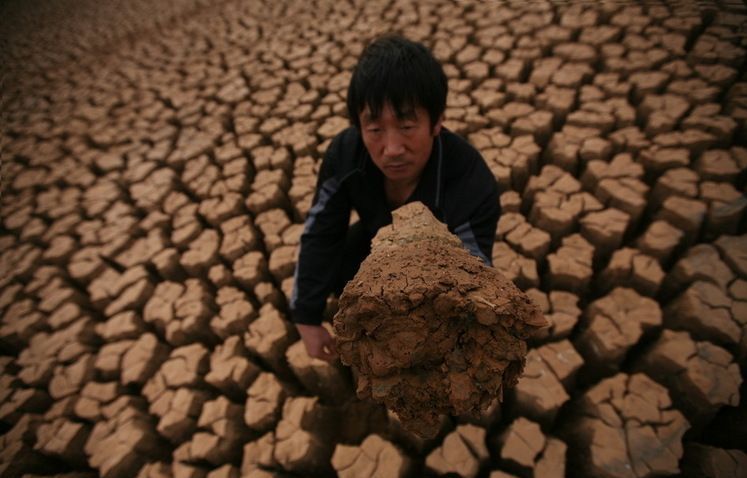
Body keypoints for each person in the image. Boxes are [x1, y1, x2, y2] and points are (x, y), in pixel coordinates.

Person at [290, 34, 500, 361]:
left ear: (437, 121)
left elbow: (472, 272)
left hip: (435, 273)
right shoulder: (345, 154)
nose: (392, 149)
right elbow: (321, 232)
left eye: (406, 125)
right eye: (375, 130)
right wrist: (306, 316)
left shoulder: (471, 182)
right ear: (359, 127)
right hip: (374, 245)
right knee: (339, 262)